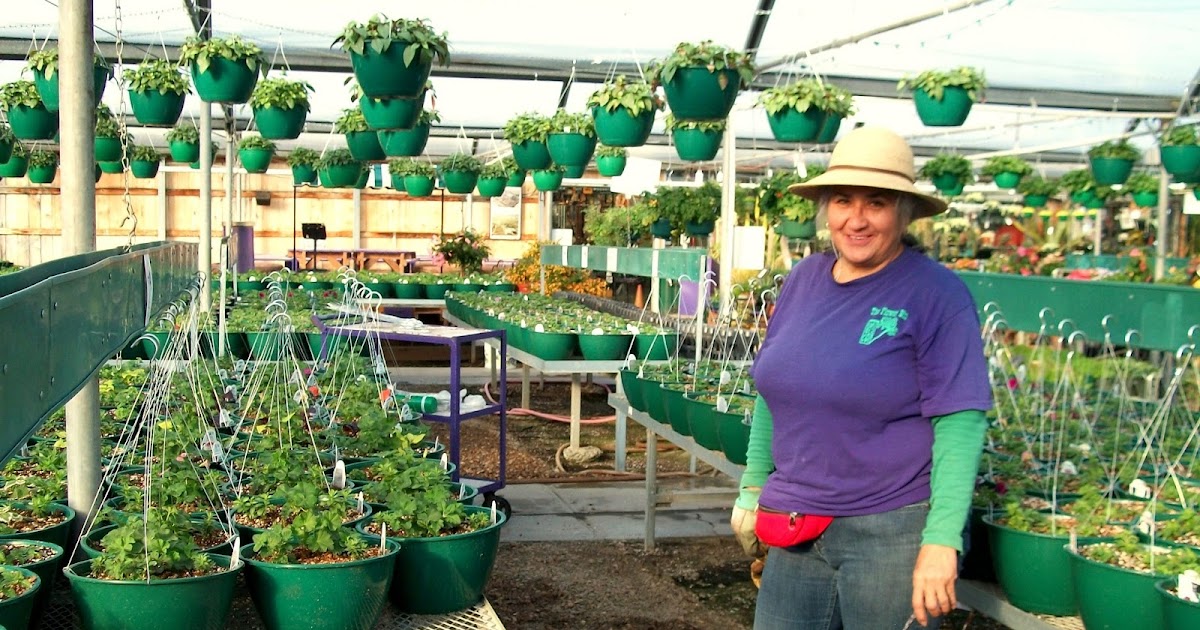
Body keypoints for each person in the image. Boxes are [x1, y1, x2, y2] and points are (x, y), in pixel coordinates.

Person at [729, 126, 993, 629]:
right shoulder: (804, 280)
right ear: (825, 207)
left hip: (891, 530)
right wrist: (753, 486)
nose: (856, 219)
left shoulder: (936, 294)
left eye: (876, 202)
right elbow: (775, 392)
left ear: (904, 211)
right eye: (843, 200)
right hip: (797, 524)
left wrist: (941, 541)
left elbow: (960, 422)